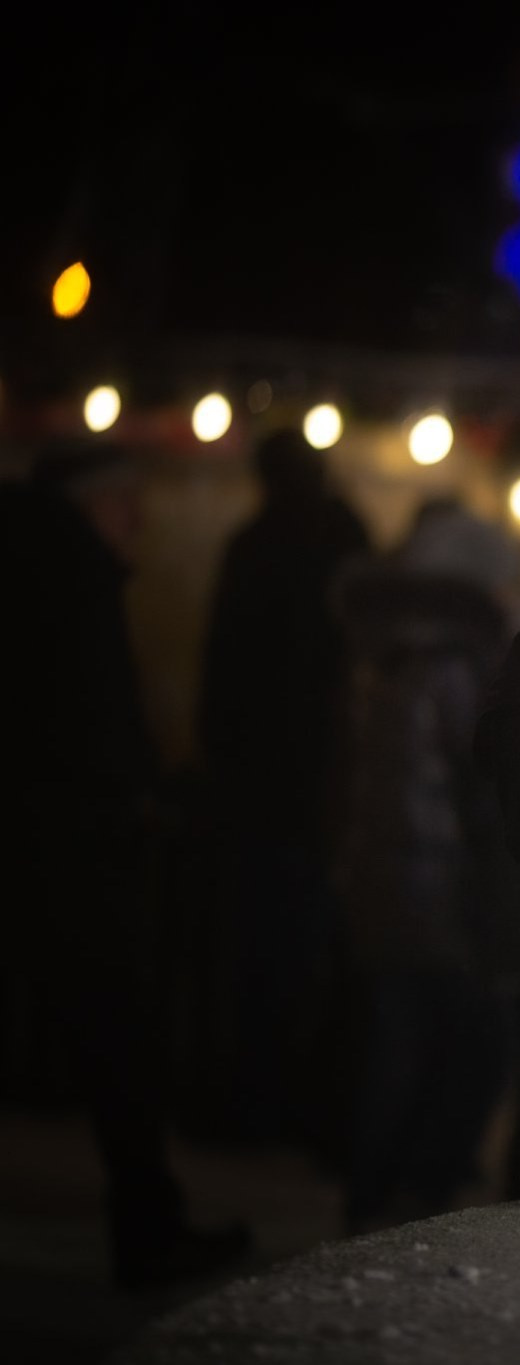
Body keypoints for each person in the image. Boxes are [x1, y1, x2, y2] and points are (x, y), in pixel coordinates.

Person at [0, 440, 251, 1288]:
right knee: (120, 1036)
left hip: (51, 832)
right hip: (74, 839)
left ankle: (150, 1221)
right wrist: (134, 791)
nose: (138, 520)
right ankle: (148, 1229)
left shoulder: (40, 565)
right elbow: (87, 714)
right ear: (93, 502)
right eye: (127, 502)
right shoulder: (72, 577)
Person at [330, 497, 520, 1231]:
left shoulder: (378, 653)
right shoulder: (454, 663)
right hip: (439, 879)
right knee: (467, 1036)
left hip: (380, 873)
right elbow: (477, 779)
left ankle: (375, 1186)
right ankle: (416, 1181)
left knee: (396, 1036)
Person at [196, 426, 370, 1146]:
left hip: (263, 788)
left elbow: (223, 677)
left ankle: (258, 1105)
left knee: (263, 959)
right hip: (319, 785)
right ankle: (308, 1112)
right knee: (313, 956)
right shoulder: (338, 537)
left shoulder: (255, 544)